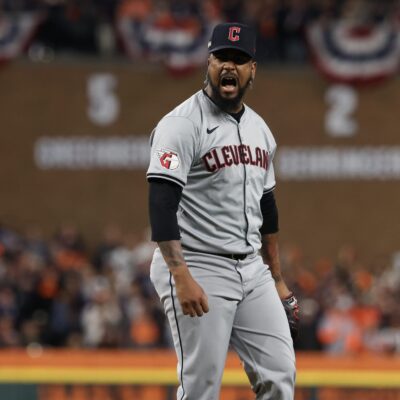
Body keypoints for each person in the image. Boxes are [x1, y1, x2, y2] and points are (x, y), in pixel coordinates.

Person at [147, 22, 299, 400]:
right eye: (222, 57)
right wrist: (179, 274)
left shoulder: (260, 129)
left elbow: (268, 208)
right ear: (208, 62)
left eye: (240, 59)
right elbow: (161, 202)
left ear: (252, 70)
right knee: (201, 387)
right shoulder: (182, 124)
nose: (230, 66)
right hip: (199, 262)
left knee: (280, 377)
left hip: (251, 268)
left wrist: (276, 278)